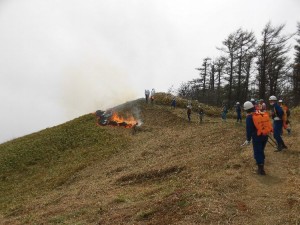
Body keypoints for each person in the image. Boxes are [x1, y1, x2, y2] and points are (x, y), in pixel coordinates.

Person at [243, 101, 269, 175]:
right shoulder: (259, 112)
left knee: (258, 152)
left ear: (246, 109)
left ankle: (261, 170)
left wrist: (248, 139)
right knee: (261, 150)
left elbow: (249, 129)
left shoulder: (249, 117)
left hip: (257, 137)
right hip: (265, 135)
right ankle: (261, 164)